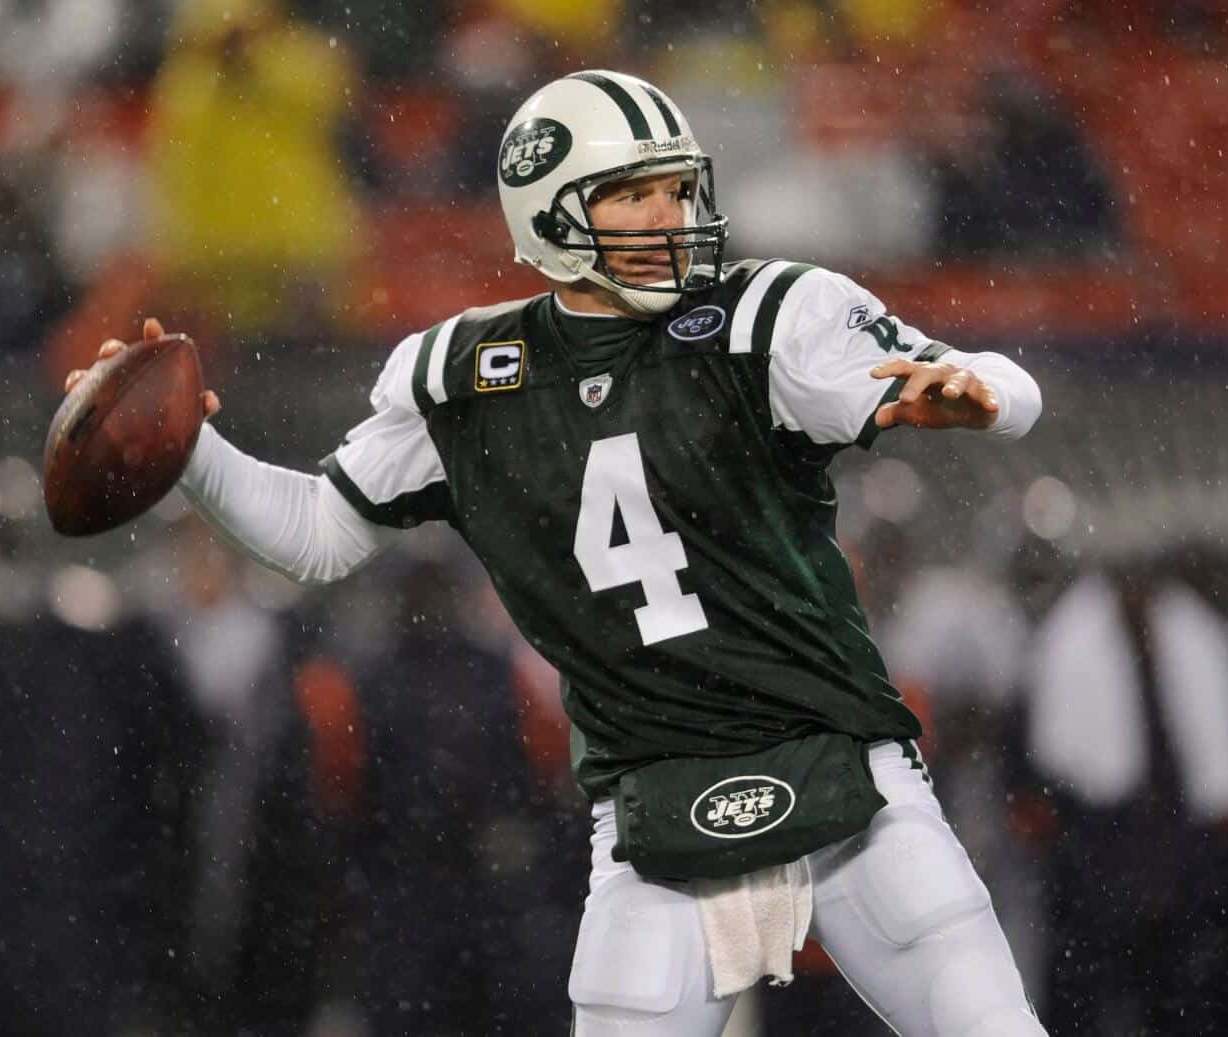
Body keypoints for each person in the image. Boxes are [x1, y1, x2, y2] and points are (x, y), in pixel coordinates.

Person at [67, 70, 1045, 1037]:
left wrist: (973, 389)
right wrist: (193, 453)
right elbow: (318, 532)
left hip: (841, 772)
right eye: (631, 194)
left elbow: (1001, 383)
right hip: (654, 808)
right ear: (549, 213)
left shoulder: (763, 317)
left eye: (675, 187)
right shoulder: (466, 376)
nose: (667, 216)